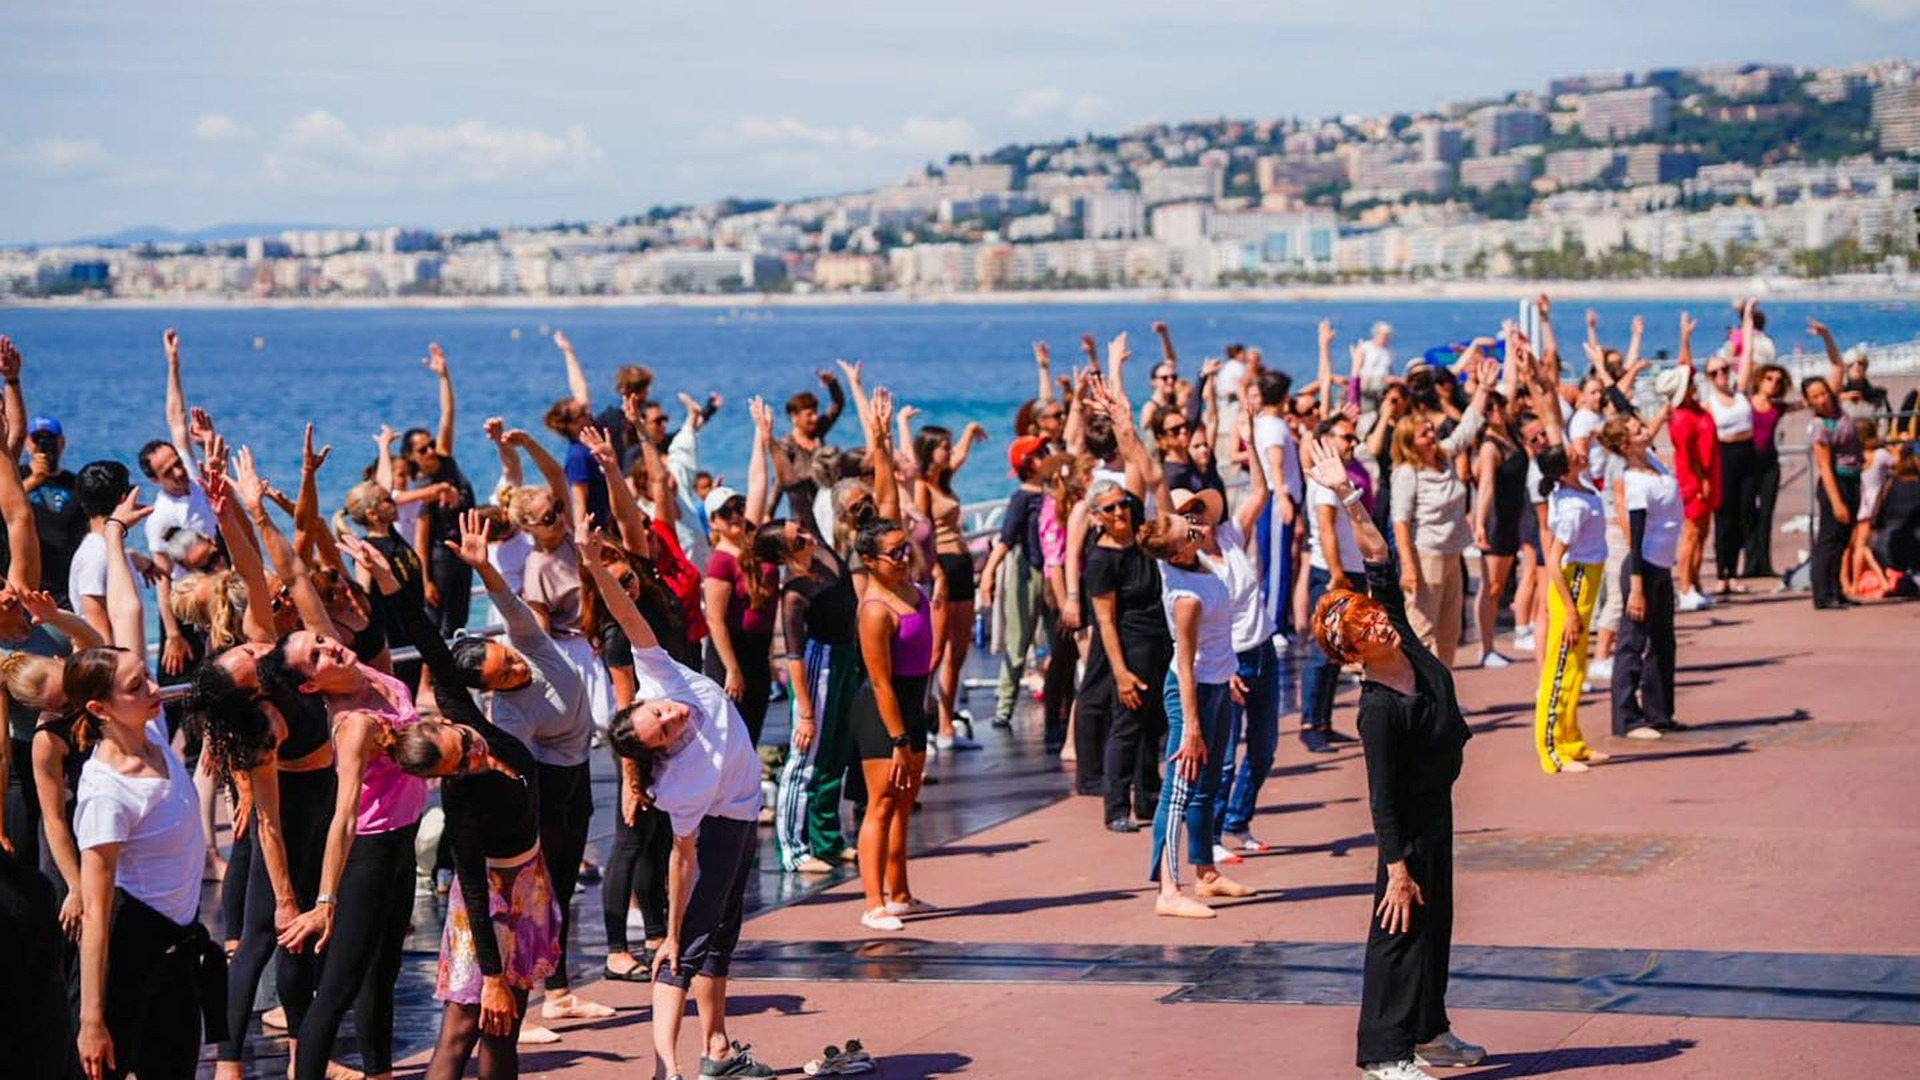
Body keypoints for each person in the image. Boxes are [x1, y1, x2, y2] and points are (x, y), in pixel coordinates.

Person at [1301, 434, 1486, 1080]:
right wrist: (1397, 867)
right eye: (1362, 630)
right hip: (1404, 825)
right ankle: (1383, 1052)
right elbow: (1380, 796)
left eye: (1369, 615)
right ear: (1352, 653)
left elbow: (1377, 555)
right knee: (1399, 928)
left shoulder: (1400, 636)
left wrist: (1347, 494)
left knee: (1437, 928)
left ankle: (1430, 1031)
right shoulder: (1377, 707)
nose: (1375, 624)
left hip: (1437, 807)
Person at [587, 521, 776, 1080]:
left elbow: (626, 614)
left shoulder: (664, 677)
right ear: (660, 751)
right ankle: (665, 1067)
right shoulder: (680, 784)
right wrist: (666, 930)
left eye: (659, 714)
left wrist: (595, 565)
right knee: (686, 949)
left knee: (723, 941)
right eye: (663, 730)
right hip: (720, 832)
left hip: (742, 825)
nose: (671, 718)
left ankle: (716, 1052)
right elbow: (681, 856)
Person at [72, 487, 228, 1080]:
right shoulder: (108, 794)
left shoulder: (156, 735)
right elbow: (95, 909)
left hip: (179, 945)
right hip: (129, 956)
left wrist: (115, 536)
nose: (154, 690)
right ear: (102, 708)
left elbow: (128, 612)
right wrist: (92, 1018)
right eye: (137, 687)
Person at [262, 538, 431, 1080]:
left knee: (383, 974)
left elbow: (297, 574)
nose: (327, 648)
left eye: (320, 640)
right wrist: (327, 899)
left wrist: (262, 517)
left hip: (402, 841)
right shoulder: (353, 721)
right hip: (370, 855)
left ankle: (379, 1074)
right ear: (311, 684)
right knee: (336, 988)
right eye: (316, 655)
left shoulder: (362, 670)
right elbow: (345, 817)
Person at [440, 507, 611, 1026]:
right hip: (549, 788)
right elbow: (515, 772)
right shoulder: (509, 718)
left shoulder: (531, 645)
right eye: (504, 672)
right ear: (488, 689)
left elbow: (509, 604)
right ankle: (521, 1003)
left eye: (506, 656)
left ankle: (557, 993)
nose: (516, 666)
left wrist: (483, 566)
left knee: (563, 888)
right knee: (541, 893)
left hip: (578, 772)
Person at [391, 574, 561, 1080]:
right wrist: (490, 975)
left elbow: (430, 644)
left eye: (461, 741)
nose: (473, 753)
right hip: (487, 907)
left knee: (505, 1030)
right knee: (464, 1028)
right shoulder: (463, 805)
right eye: (460, 762)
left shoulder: (474, 725)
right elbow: (472, 889)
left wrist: (389, 585)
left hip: (529, 884)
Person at [846, 519, 937, 932]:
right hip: (882, 715)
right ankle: (873, 903)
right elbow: (881, 681)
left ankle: (900, 894)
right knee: (880, 805)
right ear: (869, 561)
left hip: (914, 707)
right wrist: (898, 738)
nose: (904, 558)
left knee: (904, 802)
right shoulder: (874, 610)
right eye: (895, 553)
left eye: (906, 550)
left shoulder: (913, 591)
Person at [1388, 353, 1496, 667]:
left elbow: (1467, 428)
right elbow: (1400, 522)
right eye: (1424, 433)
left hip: (1452, 553)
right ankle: (1418, 701)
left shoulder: (1444, 456)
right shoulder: (1407, 473)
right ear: (1411, 442)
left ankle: (1444, 700)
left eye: (1430, 430)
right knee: (1423, 631)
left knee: (1450, 632)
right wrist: (1408, 568)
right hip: (1426, 557)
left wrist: (1484, 389)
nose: (1432, 434)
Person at [1597, 415, 1682, 740]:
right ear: (1625, 445)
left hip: (1661, 565)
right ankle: (1626, 719)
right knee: (1632, 643)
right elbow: (1636, 528)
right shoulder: (1632, 479)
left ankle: (1659, 712)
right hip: (1641, 567)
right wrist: (1636, 588)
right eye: (1637, 430)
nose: (1646, 430)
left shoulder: (1654, 462)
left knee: (1663, 641)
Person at [701, 402, 777, 745]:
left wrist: (761, 437)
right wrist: (732, 668)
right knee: (732, 737)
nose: (734, 515)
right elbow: (715, 620)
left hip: (759, 653)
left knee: (753, 733)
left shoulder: (754, 541)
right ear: (713, 522)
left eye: (737, 507)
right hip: (731, 655)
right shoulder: (720, 560)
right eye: (724, 512)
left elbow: (758, 480)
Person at [1533, 445, 1612, 776]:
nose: (1581, 452)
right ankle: (1551, 748)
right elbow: (1553, 560)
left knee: (1576, 665)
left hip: (1587, 579)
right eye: (1574, 455)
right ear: (1565, 470)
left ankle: (1571, 740)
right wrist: (1569, 611)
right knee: (1561, 666)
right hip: (1574, 582)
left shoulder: (1578, 487)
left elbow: (1554, 423)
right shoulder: (1571, 506)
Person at [913, 420, 988, 748]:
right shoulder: (922, 486)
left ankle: (946, 725)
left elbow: (957, 459)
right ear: (931, 451)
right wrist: (934, 574)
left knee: (957, 652)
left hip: (961, 567)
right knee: (933, 653)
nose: (950, 450)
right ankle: (920, 723)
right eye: (944, 445)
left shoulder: (943, 482)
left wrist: (970, 433)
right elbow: (921, 534)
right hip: (941, 566)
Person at [405, 344, 479, 637]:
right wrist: (425, 581)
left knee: (459, 620)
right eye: (423, 449)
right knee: (439, 624)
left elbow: (448, 413)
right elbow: (421, 539)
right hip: (441, 559)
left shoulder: (446, 460)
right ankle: (432, 681)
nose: (431, 449)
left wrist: (444, 376)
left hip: (464, 554)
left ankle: (452, 677)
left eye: (431, 443)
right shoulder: (425, 488)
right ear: (413, 457)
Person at [1804, 320, 1865, 611]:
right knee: (1829, 538)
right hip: (1835, 483)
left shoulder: (1839, 409)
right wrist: (1836, 501)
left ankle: (1837, 589)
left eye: (1823, 392)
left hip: (1853, 477)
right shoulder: (1820, 427)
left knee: (1843, 538)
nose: (1822, 398)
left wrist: (1826, 335)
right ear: (1809, 402)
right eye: (1814, 396)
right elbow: (1824, 468)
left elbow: (1838, 365)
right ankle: (1823, 593)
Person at [1662, 314, 1718, 613]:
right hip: (1693, 480)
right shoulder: (1681, 418)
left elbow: (1686, 367)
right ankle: (1684, 587)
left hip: (1709, 475)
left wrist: (1685, 338)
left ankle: (1695, 583)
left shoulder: (1694, 409)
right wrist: (1703, 480)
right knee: (1692, 533)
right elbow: (1690, 456)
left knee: (1703, 533)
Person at [1470, 393, 1528, 670]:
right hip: (1496, 520)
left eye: (1500, 405)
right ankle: (1486, 647)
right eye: (1491, 408)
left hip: (1513, 518)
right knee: (1490, 587)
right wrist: (1480, 522)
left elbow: (1514, 385)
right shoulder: (1489, 447)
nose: (1498, 411)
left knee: (1499, 586)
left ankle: (1489, 645)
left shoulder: (1512, 437)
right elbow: (1486, 488)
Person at [1705, 310, 1759, 593]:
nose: (1721, 375)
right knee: (1723, 516)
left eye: (1724, 369)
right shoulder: (1709, 402)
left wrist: (1747, 320)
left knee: (1744, 514)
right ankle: (1722, 573)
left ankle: (1735, 571)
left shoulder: (1740, 393)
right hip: (1723, 456)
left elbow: (1748, 354)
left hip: (1747, 453)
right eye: (1715, 372)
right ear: (1709, 378)